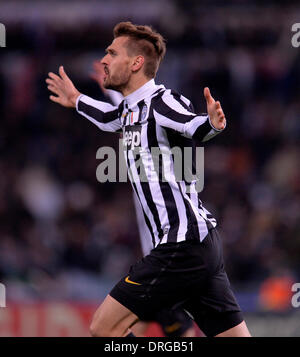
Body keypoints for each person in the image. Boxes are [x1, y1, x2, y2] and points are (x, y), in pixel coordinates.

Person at [46, 21, 251, 337]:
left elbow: (192, 125)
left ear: (136, 62)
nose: (104, 60)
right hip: (199, 246)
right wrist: (76, 100)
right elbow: (107, 119)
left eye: (112, 53)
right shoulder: (130, 110)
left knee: (103, 328)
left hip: (180, 245)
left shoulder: (162, 101)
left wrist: (212, 124)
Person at [91, 60, 198, 337]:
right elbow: (132, 116)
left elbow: (139, 120)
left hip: (170, 271)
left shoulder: (176, 176)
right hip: (154, 271)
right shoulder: (147, 170)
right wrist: (113, 91)